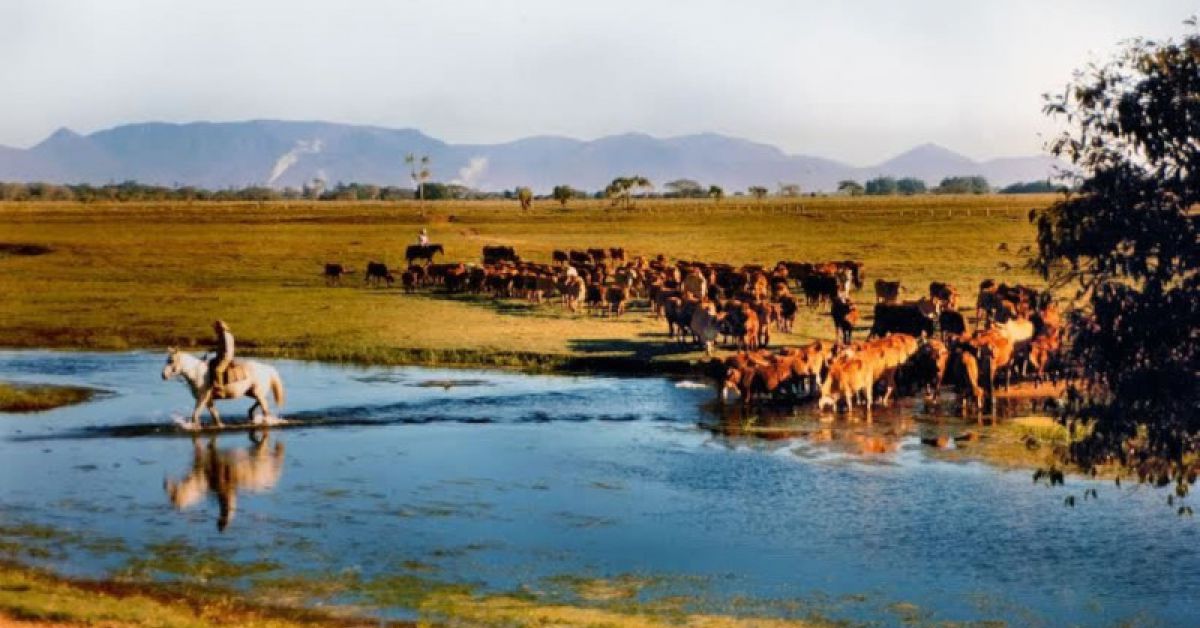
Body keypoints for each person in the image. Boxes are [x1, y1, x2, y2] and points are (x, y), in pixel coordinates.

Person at [211, 320, 234, 388]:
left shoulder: (225, 335)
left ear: (219, 328)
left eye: (215, 328)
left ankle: (220, 387)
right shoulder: (221, 335)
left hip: (226, 357)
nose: (214, 330)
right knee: (211, 363)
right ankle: (213, 382)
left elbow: (227, 348)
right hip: (221, 356)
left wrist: (222, 357)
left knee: (218, 370)